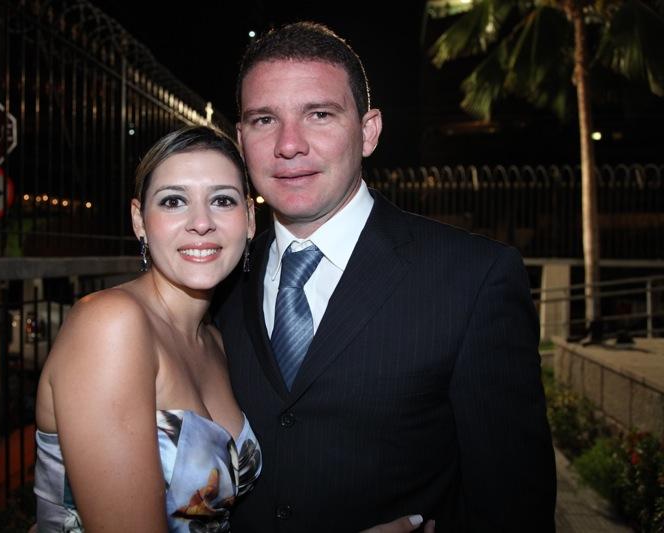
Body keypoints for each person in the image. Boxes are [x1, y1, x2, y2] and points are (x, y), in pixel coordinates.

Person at [213, 21, 557, 532]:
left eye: (319, 114)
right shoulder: (216, 282)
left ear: (369, 131)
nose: (289, 144)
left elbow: (514, 506)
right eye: (265, 119)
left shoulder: (474, 278)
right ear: (241, 139)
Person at [33, 126, 262, 532]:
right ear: (139, 220)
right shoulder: (111, 325)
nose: (201, 223)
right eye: (174, 201)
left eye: (222, 200)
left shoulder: (216, 341)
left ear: (249, 219)